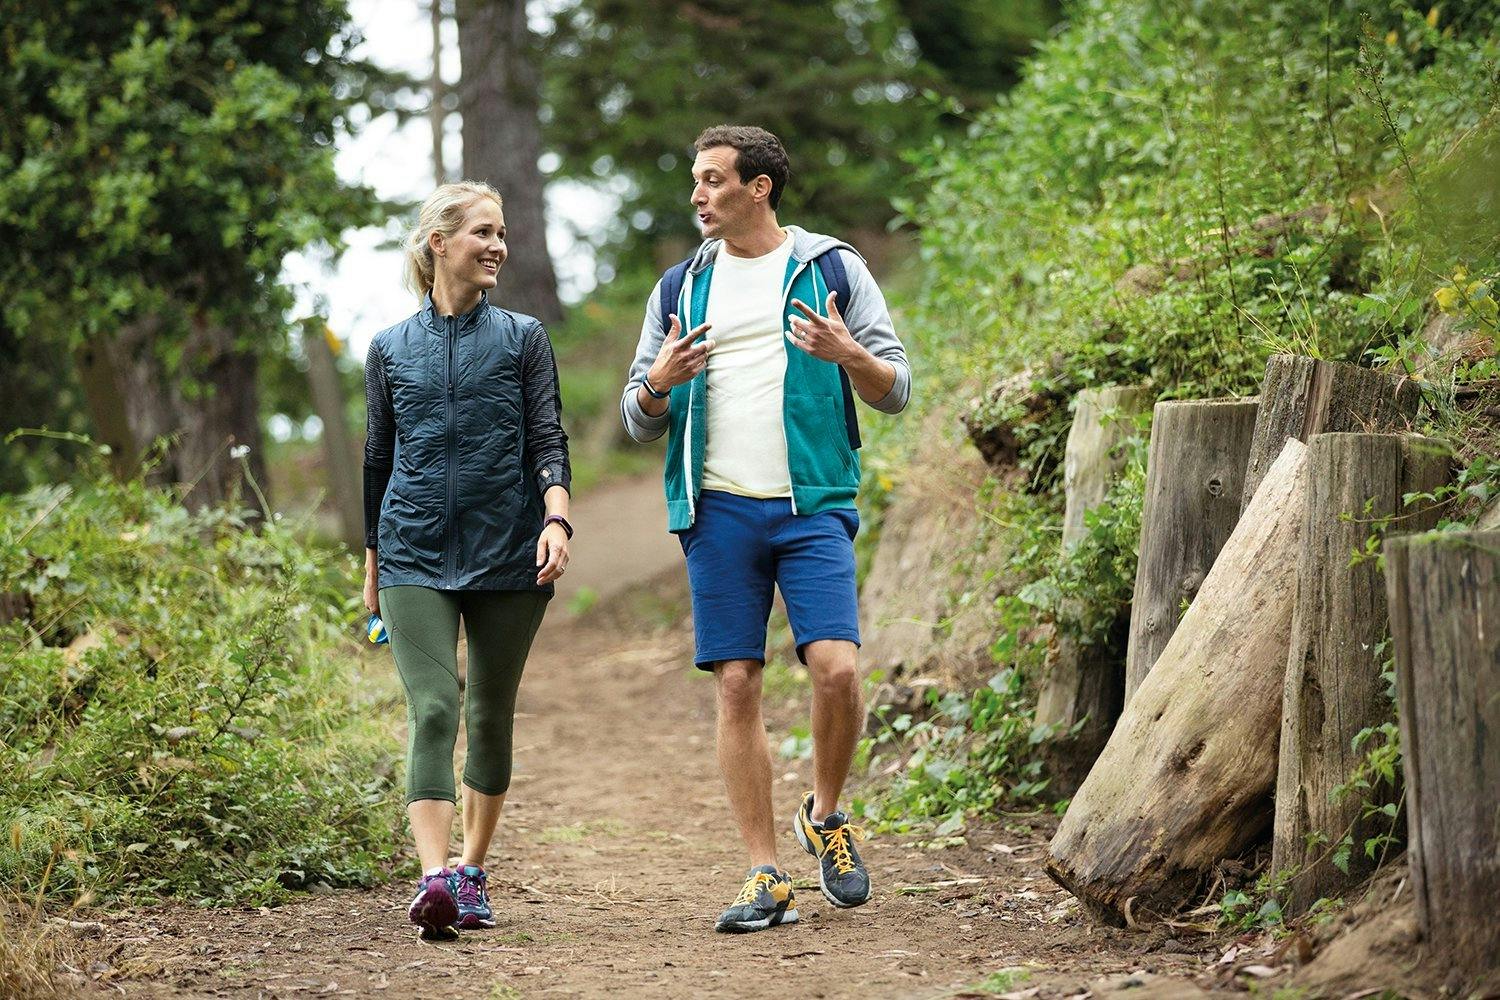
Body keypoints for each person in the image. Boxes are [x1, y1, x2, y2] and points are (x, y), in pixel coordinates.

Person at [619, 125, 911, 933]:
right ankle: (765, 872)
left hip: (811, 503)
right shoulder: (680, 287)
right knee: (737, 682)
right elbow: (636, 416)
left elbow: (896, 390)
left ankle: (826, 815)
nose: (698, 195)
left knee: (837, 670)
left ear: (759, 188)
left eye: (713, 179)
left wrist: (849, 353)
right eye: (695, 180)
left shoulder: (831, 269)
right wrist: (658, 382)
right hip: (716, 510)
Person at [363, 181, 573, 940]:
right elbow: (377, 460)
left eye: (502, 233)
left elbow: (547, 437)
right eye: (483, 232)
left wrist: (556, 518)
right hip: (412, 550)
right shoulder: (389, 348)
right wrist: (372, 563)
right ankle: (433, 881)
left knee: (487, 713)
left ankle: (471, 871)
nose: (498, 247)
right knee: (433, 708)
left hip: (509, 549)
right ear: (439, 243)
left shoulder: (522, 338)